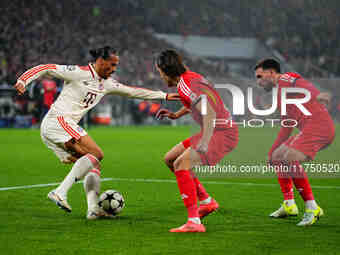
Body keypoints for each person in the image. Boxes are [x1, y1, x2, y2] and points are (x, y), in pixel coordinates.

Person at [14, 46, 179, 220]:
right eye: (112, 64)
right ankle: (60, 192)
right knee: (97, 153)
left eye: (116, 66)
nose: (114, 69)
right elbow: (46, 67)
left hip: (63, 126)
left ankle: (93, 209)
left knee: (94, 164)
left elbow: (133, 92)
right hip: (58, 120)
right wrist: (23, 81)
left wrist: (164, 96)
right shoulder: (78, 72)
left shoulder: (107, 84)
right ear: (100, 61)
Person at [155, 50, 238, 232]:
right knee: (170, 159)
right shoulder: (190, 77)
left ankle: (194, 222)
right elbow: (196, 102)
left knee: (181, 164)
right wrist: (176, 115)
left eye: (159, 72)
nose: (160, 76)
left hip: (221, 133)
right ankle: (207, 202)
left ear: (165, 70)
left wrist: (205, 142)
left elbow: (209, 112)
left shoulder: (185, 84)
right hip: (216, 129)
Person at [254, 58, 335, 226]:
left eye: (260, 77)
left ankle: (312, 207)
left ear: (271, 72)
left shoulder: (285, 79)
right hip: (308, 129)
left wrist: (319, 95)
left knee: (290, 157)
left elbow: (306, 87)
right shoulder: (280, 96)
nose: (258, 82)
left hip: (320, 127)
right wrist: (272, 150)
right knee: (277, 156)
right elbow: (287, 127)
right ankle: (289, 204)